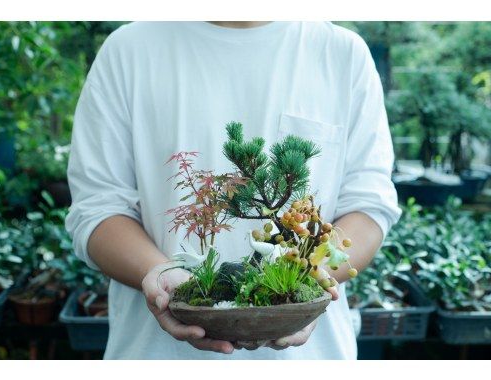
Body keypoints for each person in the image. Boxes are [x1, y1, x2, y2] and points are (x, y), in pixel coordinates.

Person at [66, 21, 401, 359]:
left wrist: (308, 286)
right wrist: (160, 275)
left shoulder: (342, 53)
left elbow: (369, 204)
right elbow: (98, 207)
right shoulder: (128, 50)